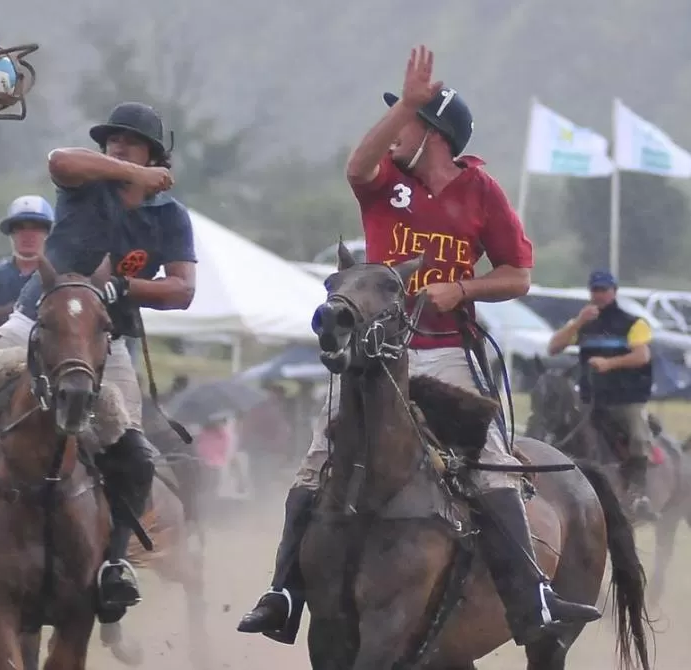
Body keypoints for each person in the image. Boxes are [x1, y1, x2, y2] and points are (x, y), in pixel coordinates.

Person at [236, 45, 601, 647]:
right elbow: (356, 167)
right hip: (378, 357)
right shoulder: (385, 185)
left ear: (434, 134)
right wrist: (407, 99)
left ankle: (532, 598)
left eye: (405, 121)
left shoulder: (481, 191)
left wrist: (464, 287)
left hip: (451, 351)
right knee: (318, 456)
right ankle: (283, 594)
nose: (393, 132)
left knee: (491, 467)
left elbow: (519, 273)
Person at [0, 101, 197, 614]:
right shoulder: (82, 181)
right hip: (33, 326)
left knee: (133, 455)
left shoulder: (171, 218)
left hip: (103, 343)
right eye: (110, 139)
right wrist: (133, 171)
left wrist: (124, 286)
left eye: (129, 140)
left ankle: (115, 561)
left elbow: (182, 289)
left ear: (155, 152)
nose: (115, 145)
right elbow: (60, 160)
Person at [547, 269, 656, 521]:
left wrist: (609, 364)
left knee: (638, 436)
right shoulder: (583, 322)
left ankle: (639, 494)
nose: (599, 295)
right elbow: (554, 347)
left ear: (614, 292)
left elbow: (642, 356)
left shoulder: (633, 322)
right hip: (589, 397)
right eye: (595, 290)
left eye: (604, 290)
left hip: (626, 398)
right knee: (558, 430)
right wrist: (578, 323)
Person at [0, 195, 54, 313]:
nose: (28, 235)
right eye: (19, 227)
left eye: (36, 227)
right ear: (11, 234)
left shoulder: (58, 278)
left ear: (49, 233)